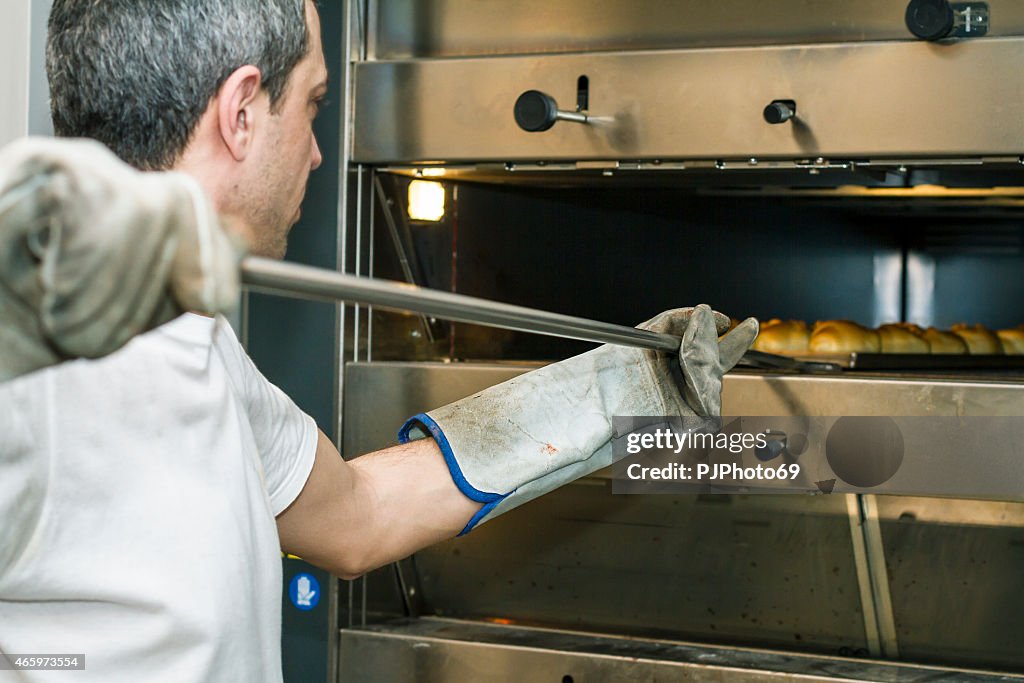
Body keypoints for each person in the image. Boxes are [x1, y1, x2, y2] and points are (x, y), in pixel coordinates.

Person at [0, 1, 758, 681]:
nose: (318, 152)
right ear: (240, 113)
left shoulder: (195, 340)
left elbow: (357, 514)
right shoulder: (31, 364)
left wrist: (619, 389)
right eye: (313, 104)